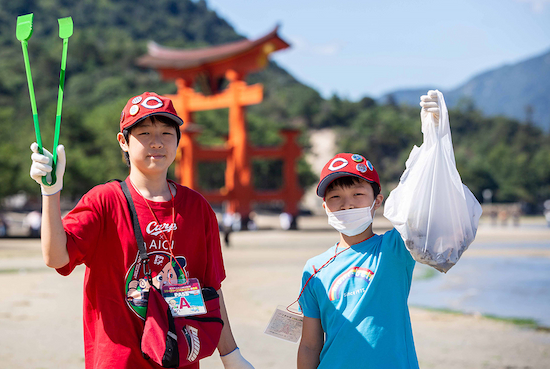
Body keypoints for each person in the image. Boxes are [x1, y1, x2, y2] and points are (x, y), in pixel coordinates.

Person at [29, 92, 253, 369]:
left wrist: (231, 357)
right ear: (123, 141)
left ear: (178, 141)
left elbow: (211, 290)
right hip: (118, 360)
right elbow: (56, 258)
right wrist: (50, 192)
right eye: (144, 133)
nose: (157, 142)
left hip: (178, 358)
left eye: (166, 133)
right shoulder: (104, 200)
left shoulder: (197, 207)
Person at [296, 92, 465, 369]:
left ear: (378, 201)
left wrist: (435, 135)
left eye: (358, 194)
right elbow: (310, 344)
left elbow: (431, 207)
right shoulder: (313, 269)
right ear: (325, 206)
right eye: (335, 197)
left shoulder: (396, 248)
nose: (347, 204)